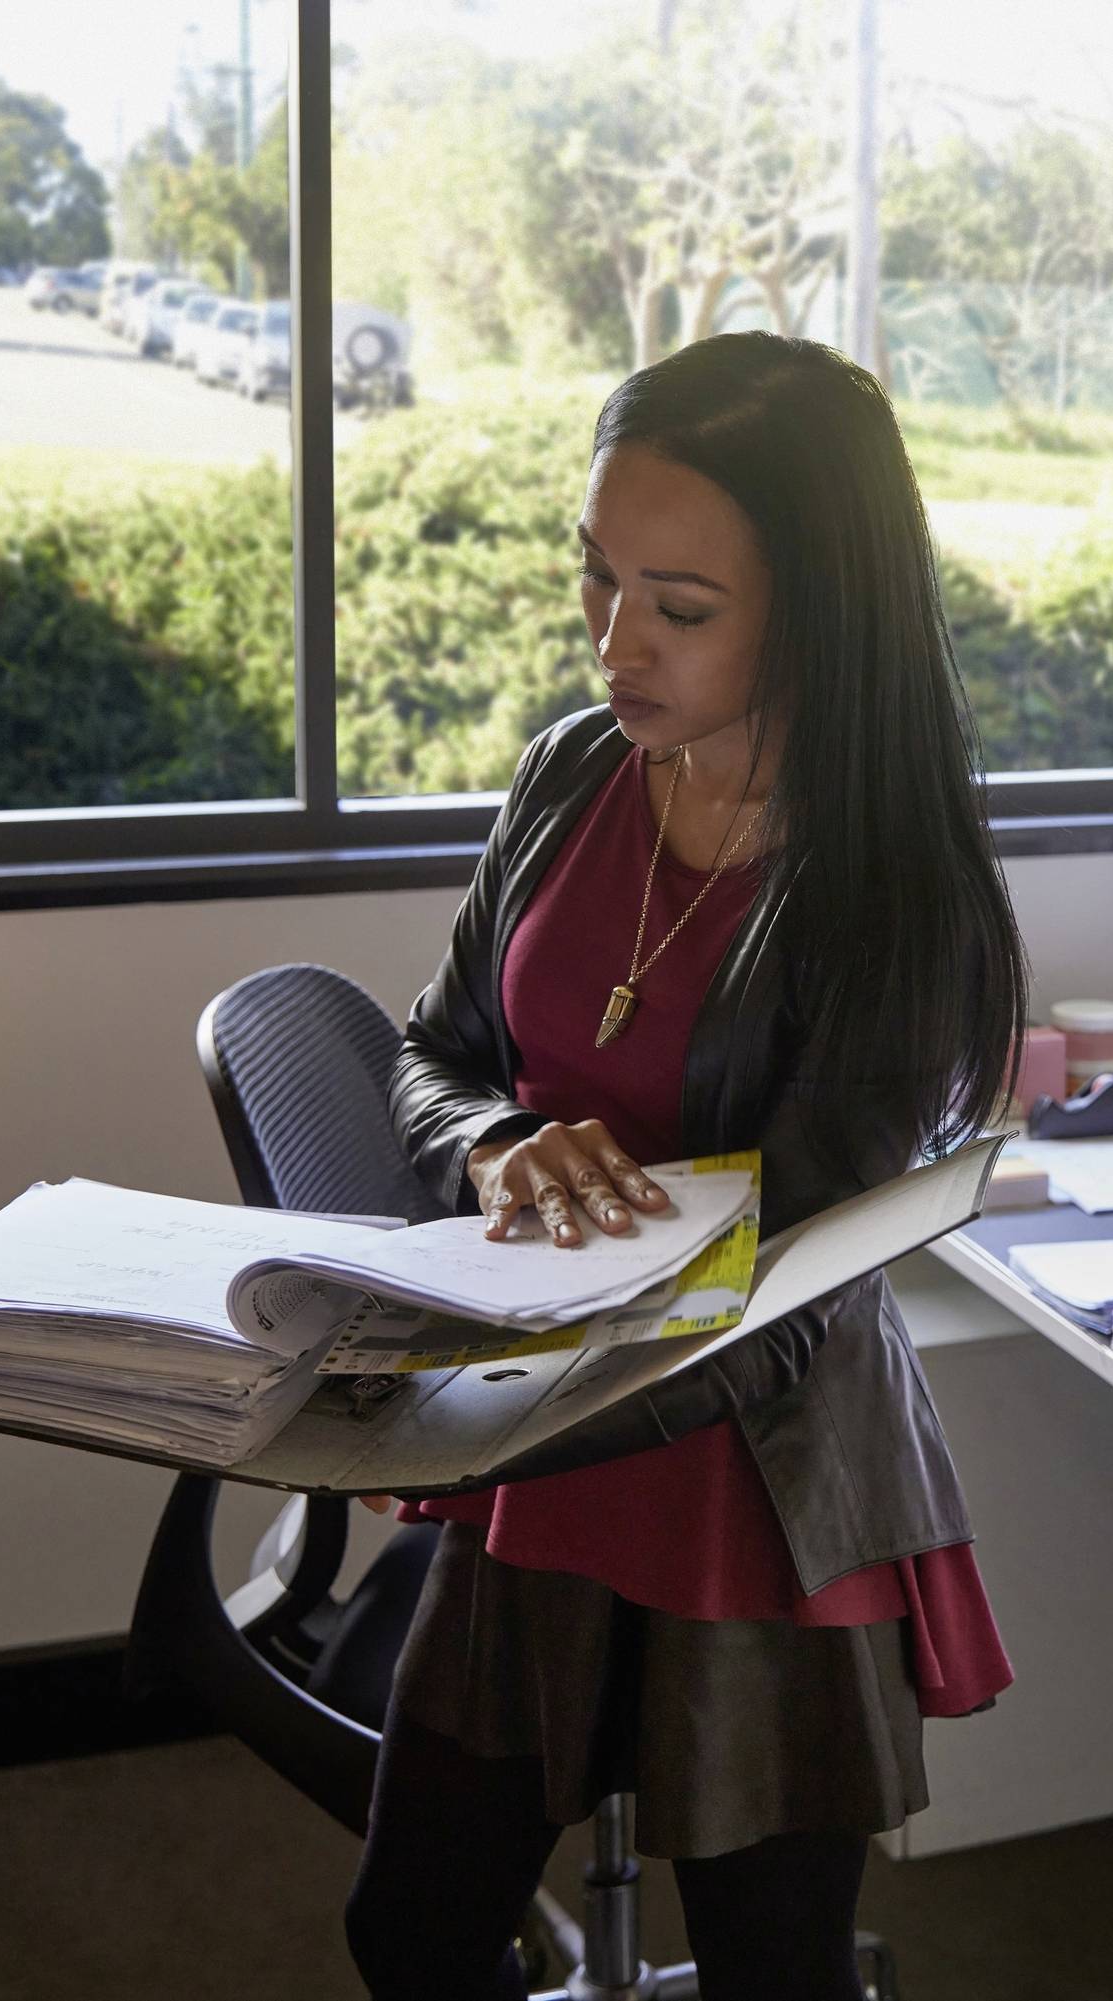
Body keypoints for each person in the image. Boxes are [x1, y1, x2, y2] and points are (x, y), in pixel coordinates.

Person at [348, 332, 1027, 2001]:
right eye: (596, 580)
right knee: (411, 1931)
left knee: (770, 1972)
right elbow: (425, 1056)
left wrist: (471, 1402)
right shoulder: (577, 775)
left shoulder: (896, 897)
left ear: (816, 607)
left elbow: (782, 1288)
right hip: (540, 1445)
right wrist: (503, 1139)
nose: (613, 641)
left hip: (749, 1465)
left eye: (680, 605)